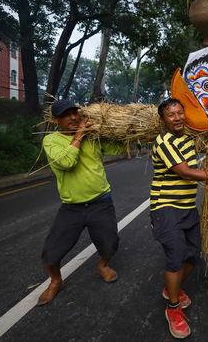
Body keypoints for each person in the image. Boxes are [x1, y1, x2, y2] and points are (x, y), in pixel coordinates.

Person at [151, 98, 208, 339]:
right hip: (166, 208)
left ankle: (170, 288)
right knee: (175, 259)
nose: (177, 118)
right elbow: (184, 172)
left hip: (187, 208)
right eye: (171, 115)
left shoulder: (187, 140)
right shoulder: (164, 141)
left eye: (180, 113)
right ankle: (173, 309)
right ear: (163, 120)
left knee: (193, 255)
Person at [38, 99, 125, 306]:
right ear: (55, 119)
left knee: (110, 243)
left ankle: (103, 266)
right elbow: (67, 163)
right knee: (50, 253)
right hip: (72, 207)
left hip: (101, 202)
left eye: (75, 113)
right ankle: (56, 281)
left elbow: (117, 149)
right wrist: (79, 135)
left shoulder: (92, 137)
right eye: (66, 115)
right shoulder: (51, 141)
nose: (73, 117)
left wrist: (117, 130)